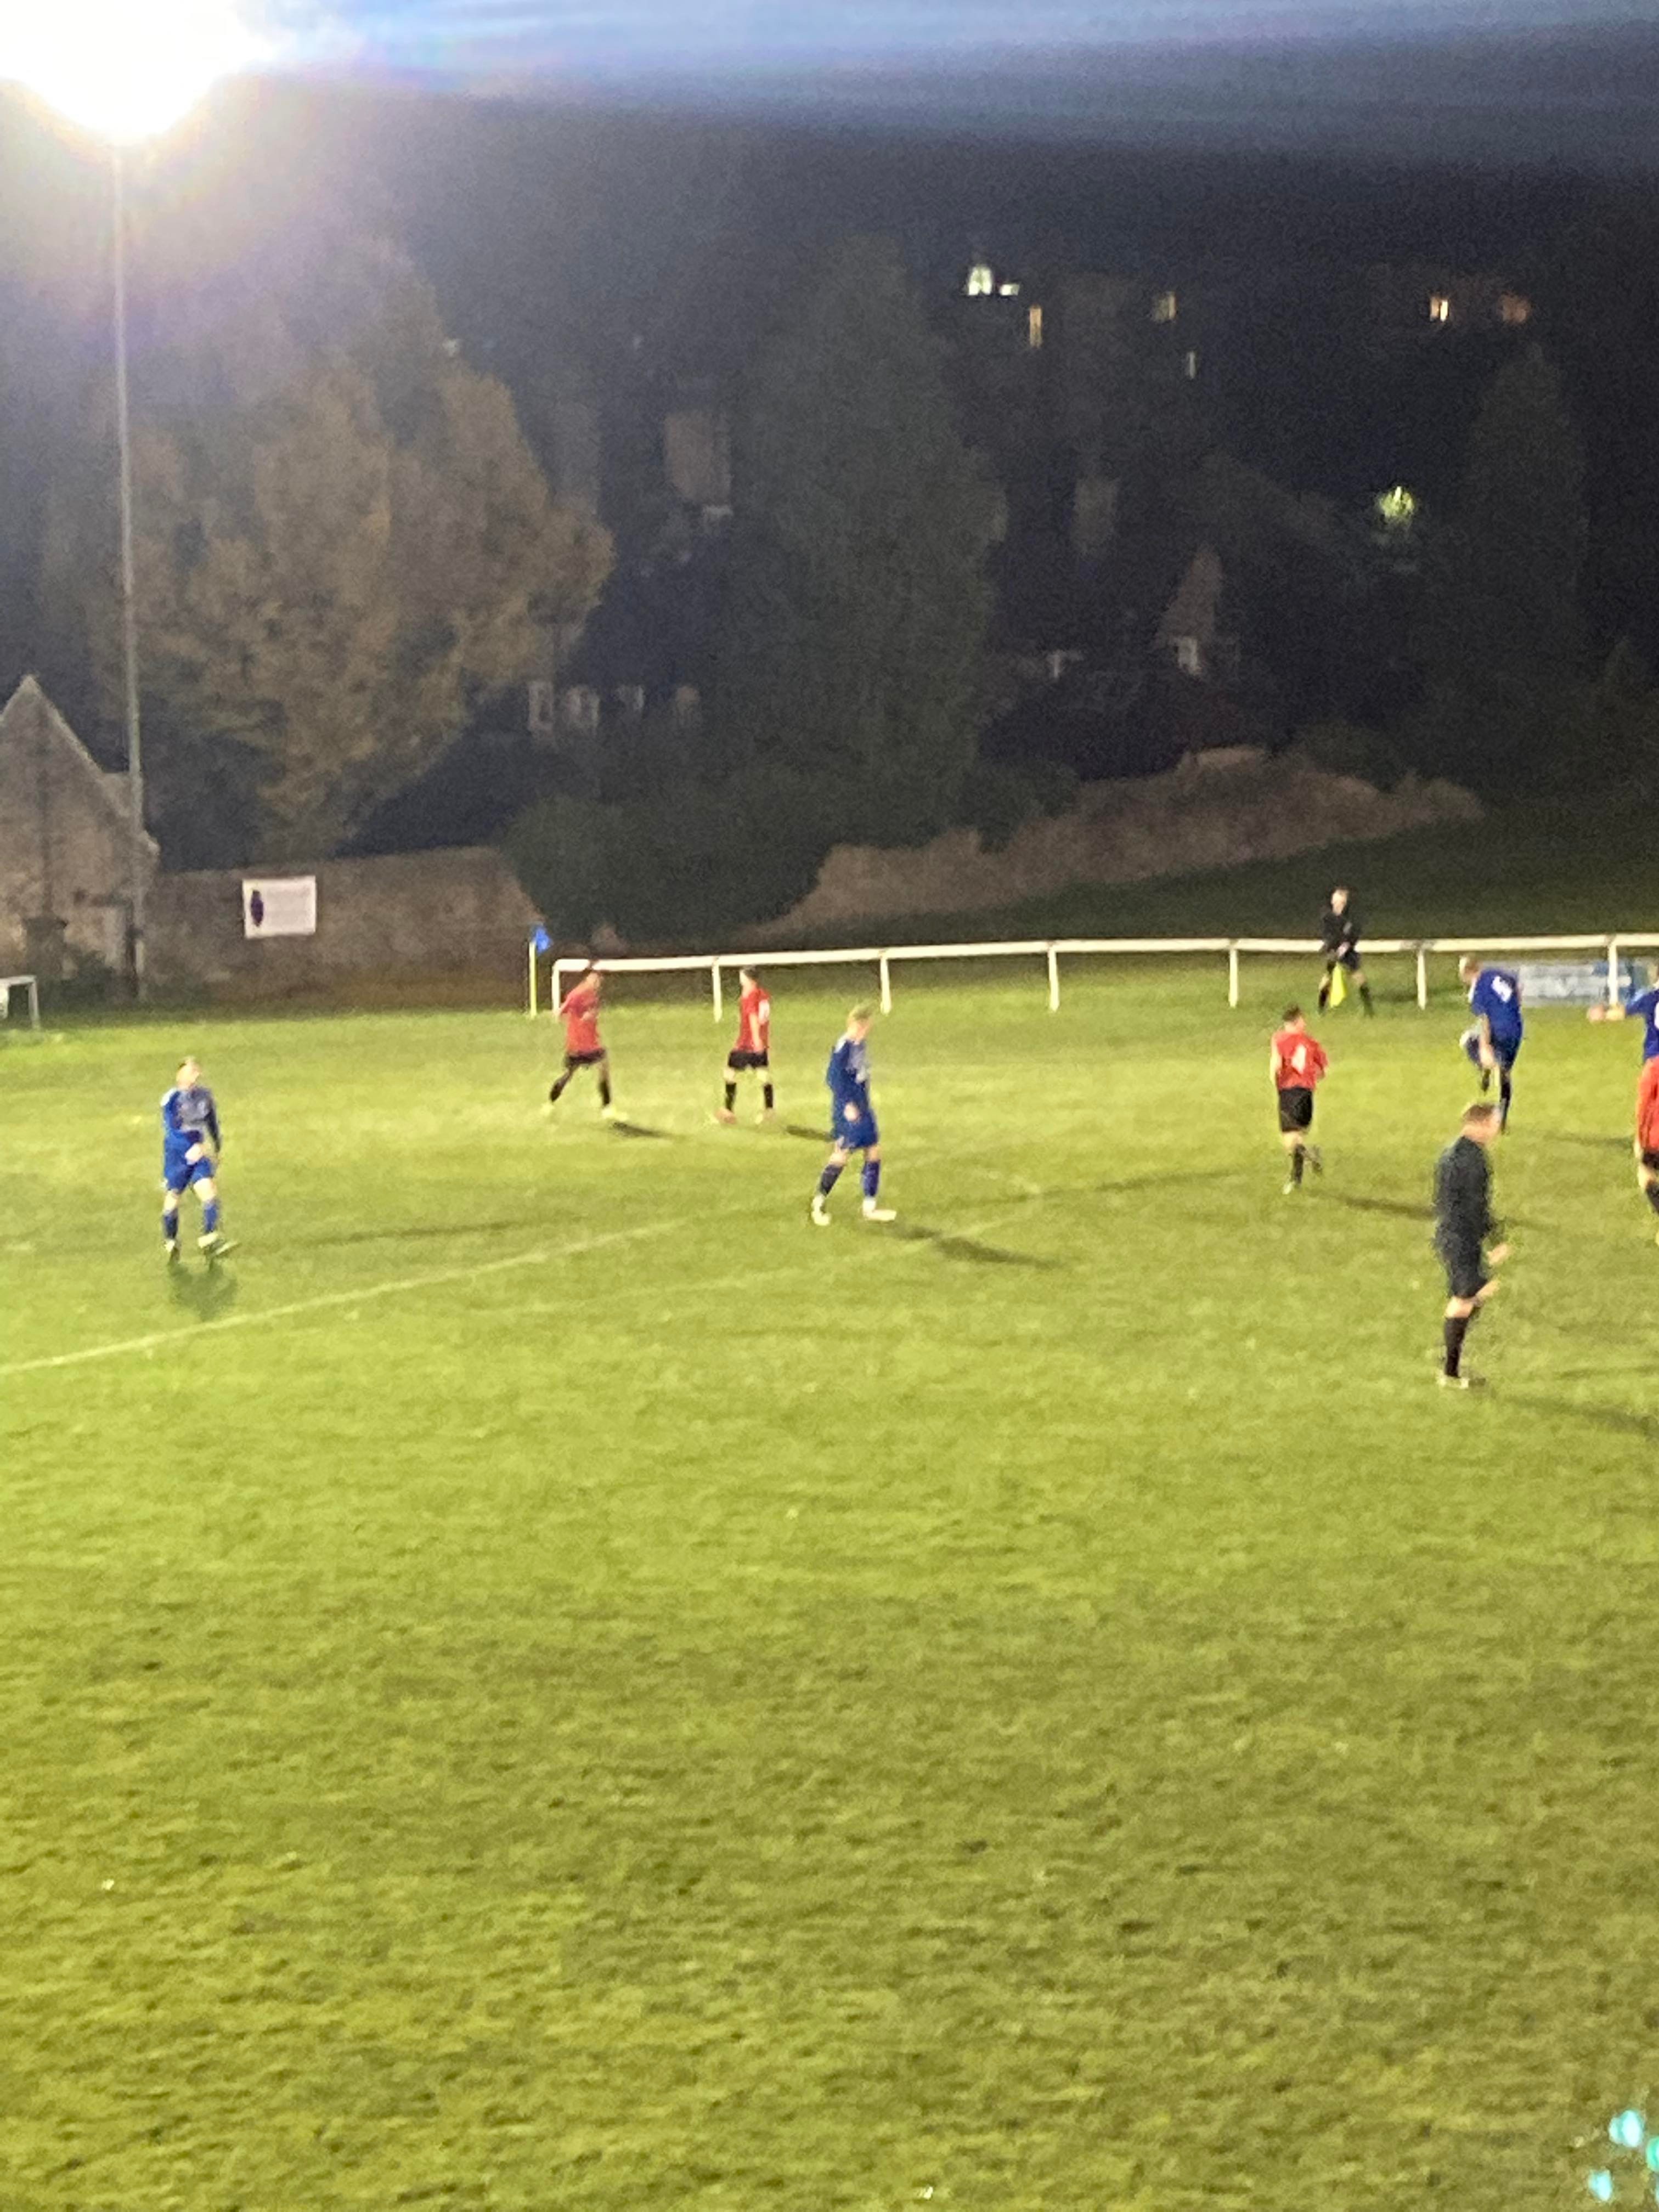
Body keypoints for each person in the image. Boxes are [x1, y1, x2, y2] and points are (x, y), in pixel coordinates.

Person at [1432, 1099, 1510, 1389]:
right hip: (1462, 1238)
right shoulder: (1473, 1160)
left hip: (1452, 1234)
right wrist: (1494, 1239)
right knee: (1466, 1298)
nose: (1496, 1130)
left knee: (1475, 1293)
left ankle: (1450, 1351)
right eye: (1493, 1124)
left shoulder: (1452, 1153)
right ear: (1479, 1124)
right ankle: (1450, 1372)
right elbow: (1476, 1205)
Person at [810, 1005, 896, 1226]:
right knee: (842, 1154)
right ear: (857, 1024)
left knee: (873, 1150)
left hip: (862, 1107)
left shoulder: (859, 1045)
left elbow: (859, 1076)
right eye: (865, 1026)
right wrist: (848, 1104)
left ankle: (870, 1207)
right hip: (849, 1111)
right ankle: (818, 1203)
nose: (867, 1030)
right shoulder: (844, 1047)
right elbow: (833, 1078)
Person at [1589, 983, 1659, 1233]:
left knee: (1645, 1158)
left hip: (1655, 1071)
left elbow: (1622, 1012)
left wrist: (1602, 1014)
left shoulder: (1653, 996)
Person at [160, 1056, 228, 1262]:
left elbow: (212, 1122)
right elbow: (172, 1128)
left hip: (198, 1153)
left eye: (197, 1071)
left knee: (209, 1192)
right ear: (180, 1075)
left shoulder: (205, 1096)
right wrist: (190, 1147)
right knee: (174, 1196)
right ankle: (171, 1240)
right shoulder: (172, 1099)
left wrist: (216, 1147)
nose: (196, 1075)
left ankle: (208, 1238)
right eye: (191, 1072)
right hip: (178, 1155)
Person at [1458, 957, 1523, 1131]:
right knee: (1505, 1074)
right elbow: (1516, 985)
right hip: (1516, 1029)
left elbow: (1485, 1020)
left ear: (1466, 973)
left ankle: (1486, 1067)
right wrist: (1515, 1007)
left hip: (1498, 1030)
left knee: (1467, 1040)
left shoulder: (1478, 990)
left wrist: (1484, 1046)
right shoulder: (1498, 974)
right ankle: (1502, 1119)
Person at [1269, 1006, 1328, 1194]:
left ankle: (1310, 1155)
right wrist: (1308, 1078)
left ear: (1288, 1023)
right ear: (1298, 1022)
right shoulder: (1311, 1042)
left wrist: (1276, 1083)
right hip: (1307, 1094)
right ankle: (1296, 1179)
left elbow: (1276, 1065)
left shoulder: (1279, 1039)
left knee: (1290, 1140)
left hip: (1289, 1091)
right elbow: (1322, 1072)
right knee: (1298, 1136)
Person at [548, 961, 616, 1119]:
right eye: (595, 978)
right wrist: (579, 1019)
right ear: (587, 978)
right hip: (578, 1045)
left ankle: (606, 1108)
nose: (598, 981)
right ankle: (551, 1102)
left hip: (591, 1044)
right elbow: (561, 1011)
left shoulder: (593, 996)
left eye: (599, 978)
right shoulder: (578, 994)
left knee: (603, 1068)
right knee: (568, 1075)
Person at [717, 968, 775, 1124]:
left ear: (749, 979)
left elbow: (753, 1017)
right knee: (763, 1075)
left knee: (730, 1073)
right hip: (761, 1043)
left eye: (742, 977)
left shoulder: (750, 997)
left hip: (747, 1044)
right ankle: (769, 1110)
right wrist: (761, 1041)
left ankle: (728, 1111)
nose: (740, 980)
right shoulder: (763, 995)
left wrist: (756, 1040)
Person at [1317, 887, 1373, 1015]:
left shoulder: (1349, 919)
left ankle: (1369, 1010)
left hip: (1347, 952)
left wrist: (1345, 947)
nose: (1338, 904)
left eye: (1341, 902)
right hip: (1333, 951)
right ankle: (1320, 1010)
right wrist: (1333, 949)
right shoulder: (1327, 917)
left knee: (1359, 978)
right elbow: (1328, 936)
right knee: (1327, 978)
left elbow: (1353, 936)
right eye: (1336, 901)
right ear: (1332, 901)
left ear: (1345, 903)